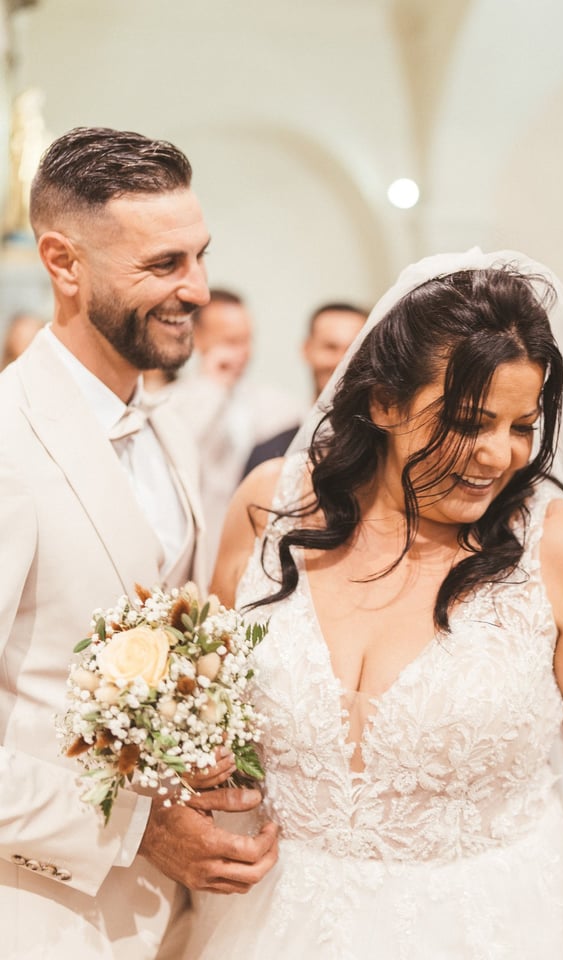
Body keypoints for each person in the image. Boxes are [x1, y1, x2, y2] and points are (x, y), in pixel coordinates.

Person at [188, 249, 563, 960]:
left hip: (486, 929)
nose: (499, 455)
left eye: (521, 426)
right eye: (469, 422)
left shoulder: (559, 549)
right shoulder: (268, 509)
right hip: (271, 921)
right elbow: (208, 719)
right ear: (383, 402)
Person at [0, 127, 277, 959]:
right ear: (64, 264)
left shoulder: (169, 429)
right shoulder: (8, 442)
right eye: (163, 265)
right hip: (38, 913)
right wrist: (133, 831)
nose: (198, 290)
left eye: (200, 257)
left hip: (172, 918)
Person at [167, 288, 305, 573]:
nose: (244, 351)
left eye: (247, 339)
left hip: (262, 554)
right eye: (231, 341)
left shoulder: (280, 404)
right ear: (197, 337)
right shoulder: (171, 404)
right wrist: (212, 387)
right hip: (197, 555)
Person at [242, 301, 367, 474]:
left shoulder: (385, 451)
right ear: (307, 349)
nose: (342, 362)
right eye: (330, 347)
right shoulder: (267, 453)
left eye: (353, 350)